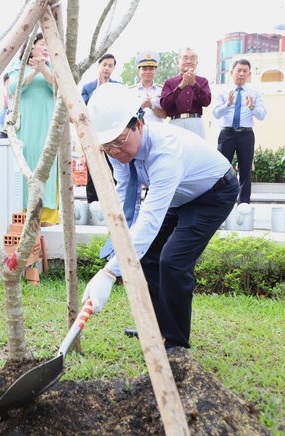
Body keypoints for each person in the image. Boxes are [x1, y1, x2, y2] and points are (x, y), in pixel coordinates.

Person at [82, 83, 238, 352]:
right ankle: (155, 327)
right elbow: (124, 197)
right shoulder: (117, 151)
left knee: (173, 261)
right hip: (178, 194)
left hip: (212, 194)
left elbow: (150, 221)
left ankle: (176, 343)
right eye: (107, 146)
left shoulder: (165, 153)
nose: (116, 151)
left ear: (139, 125)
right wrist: (120, 240)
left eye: (120, 141)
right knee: (149, 256)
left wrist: (108, 274)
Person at [8, 32, 58, 226]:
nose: (45, 47)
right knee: (27, 162)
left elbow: (57, 85)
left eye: (47, 44)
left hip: (48, 122)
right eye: (42, 43)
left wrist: (43, 68)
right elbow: (13, 88)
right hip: (26, 123)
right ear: (32, 47)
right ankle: (26, 210)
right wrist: (34, 71)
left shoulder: (53, 64)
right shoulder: (18, 66)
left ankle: (46, 215)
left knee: (48, 162)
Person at [212, 59, 267, 205]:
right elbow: (216, 113)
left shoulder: (254, 93)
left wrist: (252, 107)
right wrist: (228, 104)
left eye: (245, 71)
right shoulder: (223, 92)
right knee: (221, 169)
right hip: (227, 134)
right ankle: (219, 203)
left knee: (245, 171)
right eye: (238, 70)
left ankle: (244, 204)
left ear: (249, 74)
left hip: (246, 135)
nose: (241, 74)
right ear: (232, 72)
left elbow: (262, 115)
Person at [81, 53, 120, 204]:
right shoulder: (88, 87)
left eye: (110, 65)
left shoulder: (117, 87)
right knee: (93, 170)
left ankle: (113, 204)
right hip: (93, 135)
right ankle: (93, 205)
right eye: (104, 65)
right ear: (98, 66)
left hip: (113, 135)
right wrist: (99, 89)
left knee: (113, 169)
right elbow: (84, 109)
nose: (107, 68)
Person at [160, 48, 211, 139]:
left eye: (192, 58)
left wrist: (194, 85)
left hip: (195, 122)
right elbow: (165, 104)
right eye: (185, 58)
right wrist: (180, 87)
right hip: (176, 122)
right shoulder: (170, 83)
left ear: (197, 63)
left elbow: (206, 102)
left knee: (197, 151)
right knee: (176, 151)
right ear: (178, 62)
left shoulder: (202, 81)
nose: (188, 61)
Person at [130, 51, 167, 123]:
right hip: (137, 130)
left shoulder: (162, 90)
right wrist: (141, 106)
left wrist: (151, 106)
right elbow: (128, 114)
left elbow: (165, 115)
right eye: (144, 69)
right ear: (139, 71)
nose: (147, 72)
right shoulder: (131, 91)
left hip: (157, 130)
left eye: (151, 69)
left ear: (155, 70)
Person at [0, 73, 13, 139]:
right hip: (5, 134)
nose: (11, 87)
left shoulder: (23, 99)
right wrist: (5, 108)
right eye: (9, 84)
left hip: (20, 133)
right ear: (4, 84)